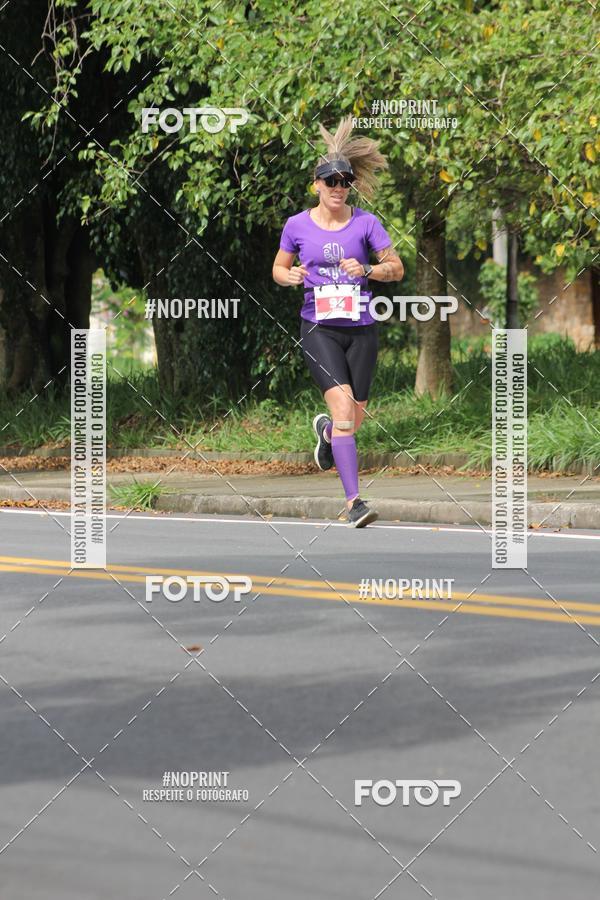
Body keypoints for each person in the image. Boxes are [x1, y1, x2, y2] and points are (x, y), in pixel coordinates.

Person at [272, 116, 404, 527]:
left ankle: (328, 435)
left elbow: (396, 268)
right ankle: (354, 503)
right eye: (330, 181)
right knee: (346, 410)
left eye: (345, 181)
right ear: (316, 184)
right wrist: (288, 275)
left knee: (353, 417)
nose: (338, 188)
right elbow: (279, 267)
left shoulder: (365, 223)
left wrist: (366, 270)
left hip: (361, 329)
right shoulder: (296, 225)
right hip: (319, 329)